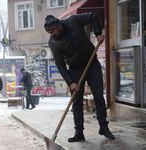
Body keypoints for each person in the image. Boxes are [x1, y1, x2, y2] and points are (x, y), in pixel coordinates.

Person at [44, 12, 115, 142]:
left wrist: (98, 33)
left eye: (54, 29)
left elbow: (93, 16)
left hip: (92, 64)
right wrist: (70, 82)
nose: (54, 33)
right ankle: (79, 132)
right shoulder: (53, 43)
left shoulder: (73, 21)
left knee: (98, 96)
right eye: (50, 32)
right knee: (76, 101)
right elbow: (60, 65)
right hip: (75, 70)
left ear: (59, 24)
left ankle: (104, 127)